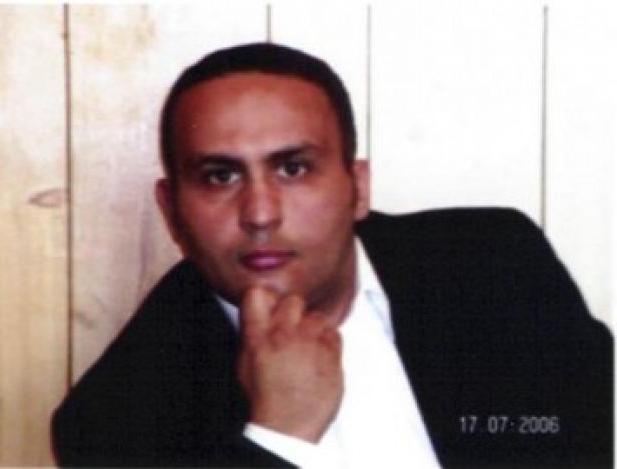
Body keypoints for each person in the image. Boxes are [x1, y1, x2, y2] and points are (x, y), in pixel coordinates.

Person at [51, 43, 613, 468]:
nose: (260, 213)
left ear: (357, 188)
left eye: (293, 168)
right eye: (220, 176)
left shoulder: (494, 264)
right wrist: (278, 436)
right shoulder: (113, 422)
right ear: (172, 211)